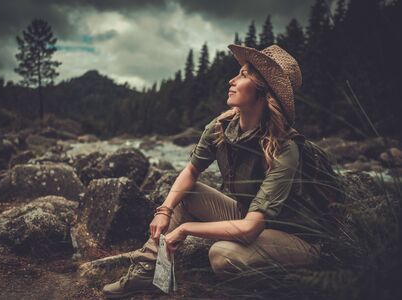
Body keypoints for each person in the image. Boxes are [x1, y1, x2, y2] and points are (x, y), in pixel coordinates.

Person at [102, 44, 325, 298]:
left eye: (242, 75)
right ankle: (149, 273)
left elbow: (250, 228)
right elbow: (190, 171)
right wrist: (165, 210)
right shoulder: (221, 127)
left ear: (263, 92)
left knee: (222, 255)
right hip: (246, 214)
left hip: (293, 236)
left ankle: (284, 284)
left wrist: (186, 229)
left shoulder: (284, 147)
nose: (232, 80)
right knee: (185, 193)